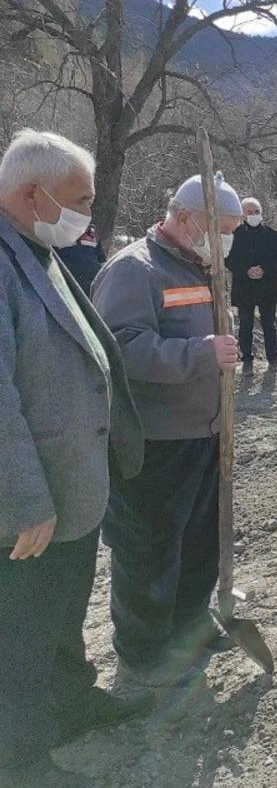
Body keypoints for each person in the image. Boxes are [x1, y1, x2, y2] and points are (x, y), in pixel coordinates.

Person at [0, 130, 151, 786]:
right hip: (30, 504)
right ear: (32, 194)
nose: (88, 213)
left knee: (62, 613)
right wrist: (24, 500)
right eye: (80, 200)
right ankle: (22, 760)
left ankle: (72, 701)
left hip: (71, 487)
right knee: (20, 636)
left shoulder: (36, 250)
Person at [91, 171, 244, 690]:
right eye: (221, 229)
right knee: (151, 551)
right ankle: (144, 653)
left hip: (204, 432)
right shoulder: (134, 270)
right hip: (156, 443)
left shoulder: (202, 267)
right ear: (184, 217)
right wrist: (201, 354)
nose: (227, 241)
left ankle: (190, 625)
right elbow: (119, 349)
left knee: (199, 542)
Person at [227, 196, 277, 374]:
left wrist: (264, 269)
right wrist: (246, 270)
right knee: (245, 325)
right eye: (249, 212)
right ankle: (247, 361)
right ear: (242, 214)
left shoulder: (272, 234)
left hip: (267, 286)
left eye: (256, 211)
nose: (253, 215)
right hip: (244, 287)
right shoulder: (234, 235)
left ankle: (273, 360)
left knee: (269, 324)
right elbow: (228, 259)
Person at [57, 219, 106, 296]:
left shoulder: (92, 232)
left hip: (94, 285)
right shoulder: (56, 230)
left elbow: (102, 259)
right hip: (68, 285)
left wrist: (105, 276)